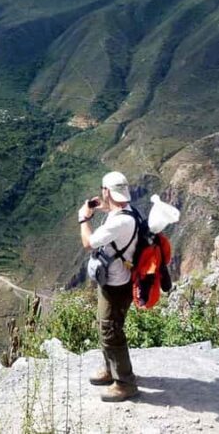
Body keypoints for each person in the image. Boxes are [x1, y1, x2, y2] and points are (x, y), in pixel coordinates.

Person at [78, 171, 139, 402]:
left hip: (116, 285)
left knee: (110, 331)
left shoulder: (120, 222)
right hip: (118, 280)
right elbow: (116, 214)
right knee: (106, 326)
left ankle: (125, 382)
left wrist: (83, 218)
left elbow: (88, 242)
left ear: (106, 191)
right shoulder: (127, 211)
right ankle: (111, 369)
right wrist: (103, 207)